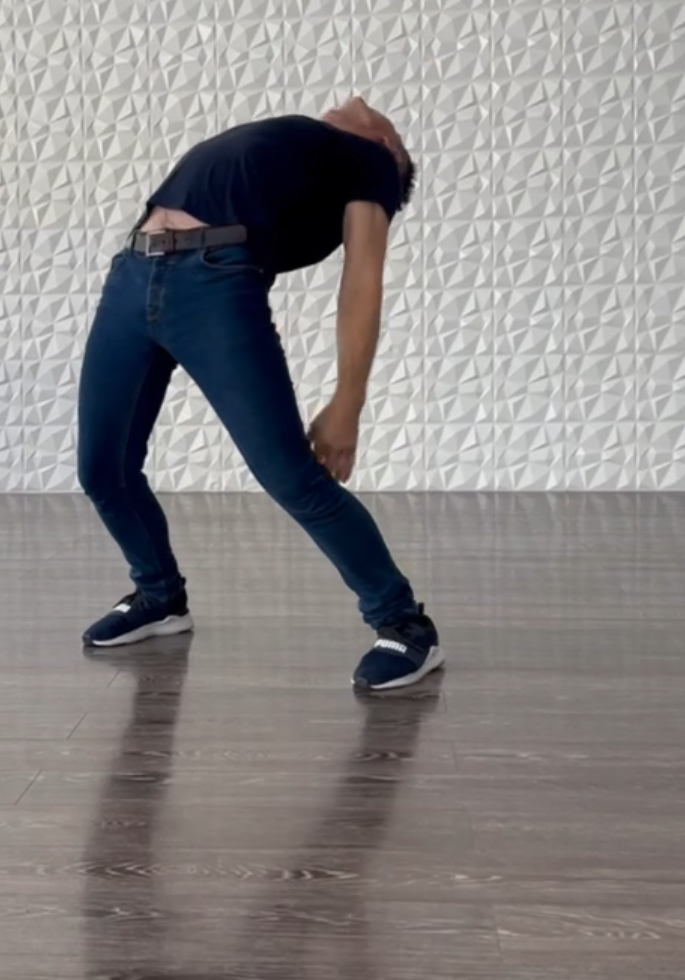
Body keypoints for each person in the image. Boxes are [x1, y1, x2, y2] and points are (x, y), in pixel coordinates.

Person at [76, 97, 444, 692]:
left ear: (389, 149)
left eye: (382, 119)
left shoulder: (372, 164)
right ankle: (159, 597)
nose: (358, 101)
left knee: (291, 477)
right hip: (132, 275)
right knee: (102, 469)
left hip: (212, 287)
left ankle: (404, 624)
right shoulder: (306, 148)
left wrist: (347, 403)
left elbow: (362, 282)